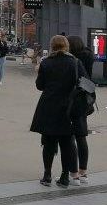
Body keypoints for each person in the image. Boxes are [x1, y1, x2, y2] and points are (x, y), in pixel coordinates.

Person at [30, 35, 85, 187]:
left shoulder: (46, 63)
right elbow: (85, 83)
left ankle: (47, 175)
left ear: (52, 46)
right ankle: (65, 176)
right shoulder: (75, 62)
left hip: (49, 106)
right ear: (66, 46)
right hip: (68, 107)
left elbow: (40, 86)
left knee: (48, 142)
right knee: (66, 143)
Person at [67, 36, 93, 184]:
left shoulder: (74, 61)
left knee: (69, 137)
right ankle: (83, 172)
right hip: (84, 99)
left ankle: (74, 174)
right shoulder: (88, 56)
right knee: (81, 136)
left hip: (72, 99)